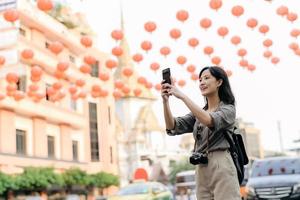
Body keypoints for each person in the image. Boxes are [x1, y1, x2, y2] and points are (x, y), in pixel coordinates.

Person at [161, 66, 240, 200]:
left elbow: (209, 120)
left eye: (207, 78)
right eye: (200, 79)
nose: (202, 82)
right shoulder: (198, 113)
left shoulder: (228, 109)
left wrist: (183, 96)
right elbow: (172, 126)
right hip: (201, 166)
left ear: (219, 82)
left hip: (221, 163)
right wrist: (165, 102)